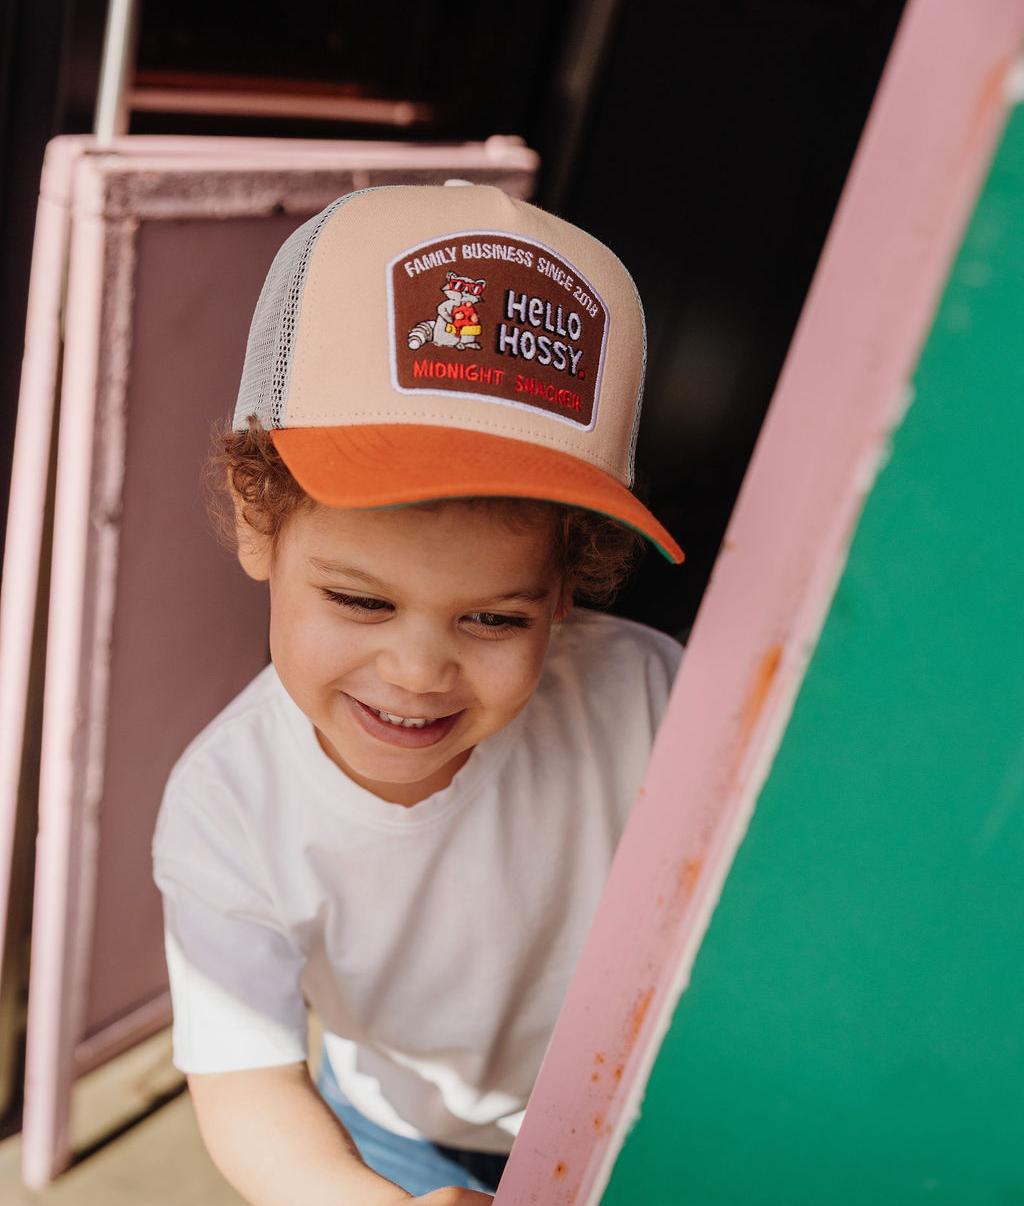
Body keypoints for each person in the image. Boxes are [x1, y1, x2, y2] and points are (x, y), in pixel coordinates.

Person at [152, 181, 684, 1205]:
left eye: (494, 619)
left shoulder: (650, 698)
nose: (416, 672)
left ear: (565, 587)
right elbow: (246, 1082)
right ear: (258, 523)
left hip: (633, 1116)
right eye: (360, 600)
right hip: (394, 1135)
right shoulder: (227, 804)